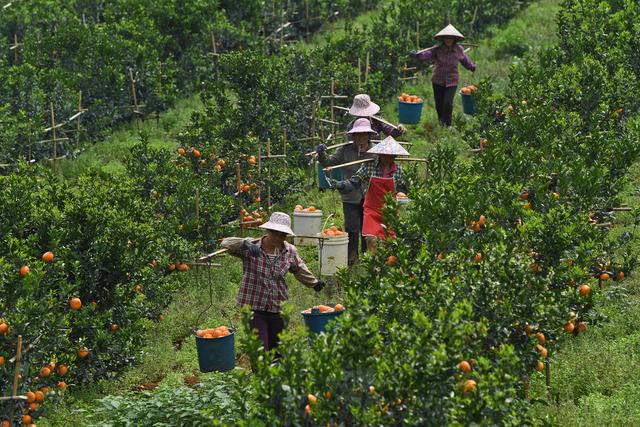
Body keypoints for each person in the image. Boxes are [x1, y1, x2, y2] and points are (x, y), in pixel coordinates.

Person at [221, 212, 325, 352]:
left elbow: (299, 269)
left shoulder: (289, 251)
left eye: (282, 234)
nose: (278, 237)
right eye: (275, 233)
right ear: (268, 231)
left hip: (277, 307)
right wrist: (244, 243)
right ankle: (260, 373)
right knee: (260, 351)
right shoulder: (251, 247)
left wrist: (314, 283)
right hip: (254, 308)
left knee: (278, 352)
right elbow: (225, 243)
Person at [328, 136, 408, 251]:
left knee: (389, 241)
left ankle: (385, 266)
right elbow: (354, 181)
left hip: (390, 211)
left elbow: (403, 189)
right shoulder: (368, 166)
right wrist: (340, 185)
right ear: (380, 154)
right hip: (372, 210)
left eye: (391, 155)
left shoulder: (398, 171)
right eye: (385, 155)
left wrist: (401, 193)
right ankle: (372, 265)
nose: (388, 158)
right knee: (371, 239)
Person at [316, 118, 376, 265]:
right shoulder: (345, 150)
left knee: (367, 229)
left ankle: (366, 258)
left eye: (364, 135)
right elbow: (328, 162)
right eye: (358, 135)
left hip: (370, 196)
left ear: (369, 135)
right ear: (353, 136)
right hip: (350, 196)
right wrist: (322, 154)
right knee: (352, 227)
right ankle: (352, 259)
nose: (361, 138)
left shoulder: (376, 151)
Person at [410, 24, 476, 127]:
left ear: (454, 39)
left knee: (448, 103)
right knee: (439, 104)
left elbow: (465, 60)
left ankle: (448, 124)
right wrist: (418, 55)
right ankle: (441, 122)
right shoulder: (437, 49)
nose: (448, 40)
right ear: (443, 39)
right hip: (438, 80)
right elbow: (426, 55)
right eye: (446, 38)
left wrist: (472, 67)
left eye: (450, 38)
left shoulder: (458, 49)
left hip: (452, 81)